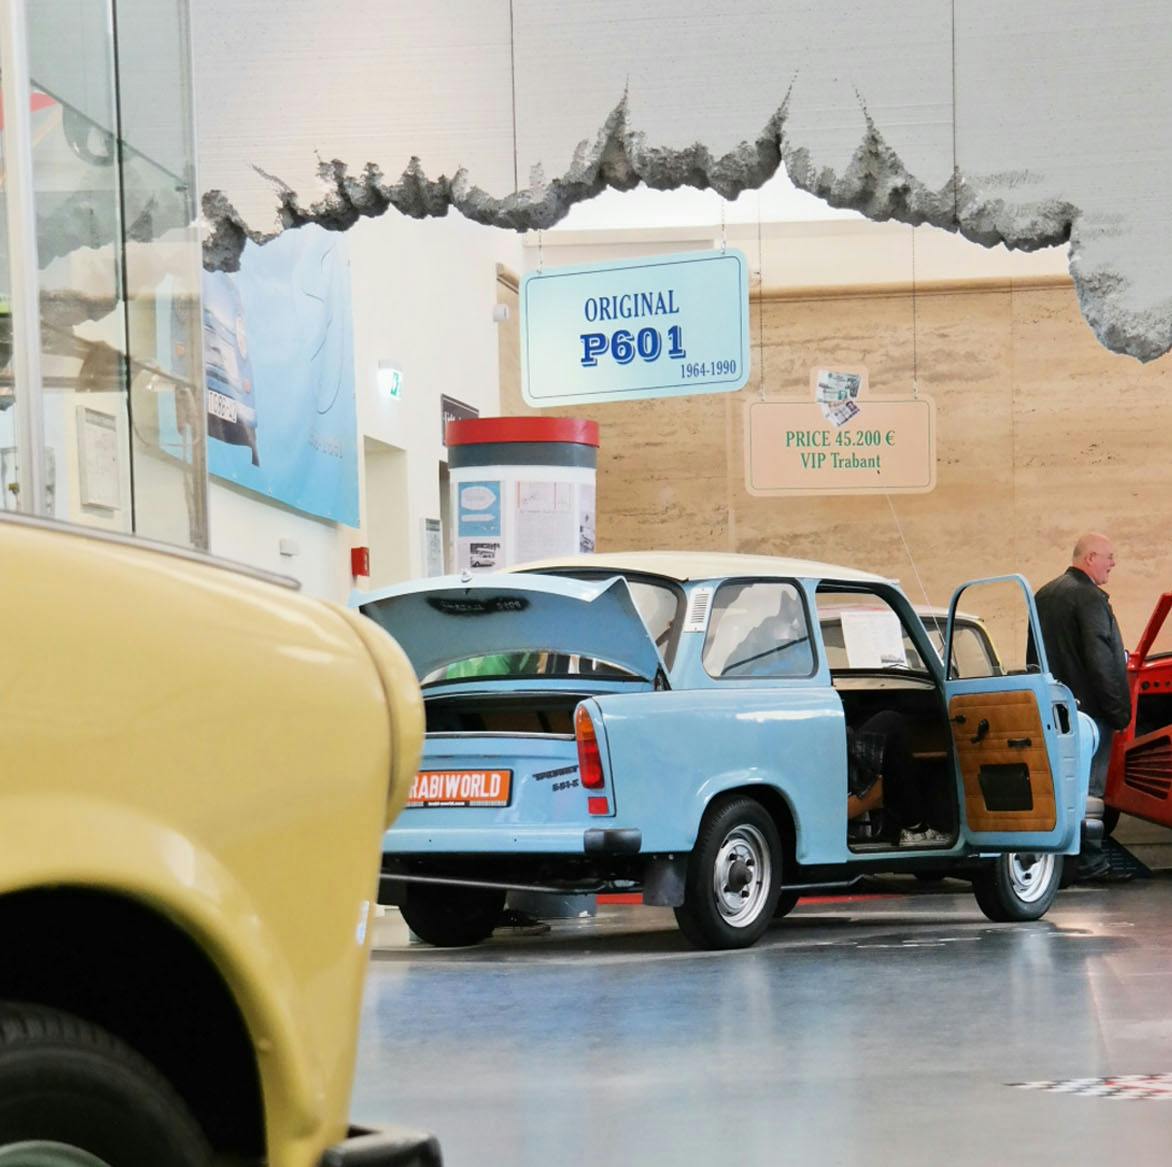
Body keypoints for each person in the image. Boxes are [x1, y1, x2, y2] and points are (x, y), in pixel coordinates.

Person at [1034, 533, 1132, 882]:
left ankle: (1060, 864)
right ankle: (1090, 864)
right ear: (1090, 558)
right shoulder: (1089, 598)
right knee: (1090, 792)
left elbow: (1035, 658)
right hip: (1091, 714)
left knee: (1060, 788)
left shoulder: (1044, 595)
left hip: (1055, 711)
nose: (1113, 563)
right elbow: (1101, 659)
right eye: (1109, 557)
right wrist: (1119, 712)